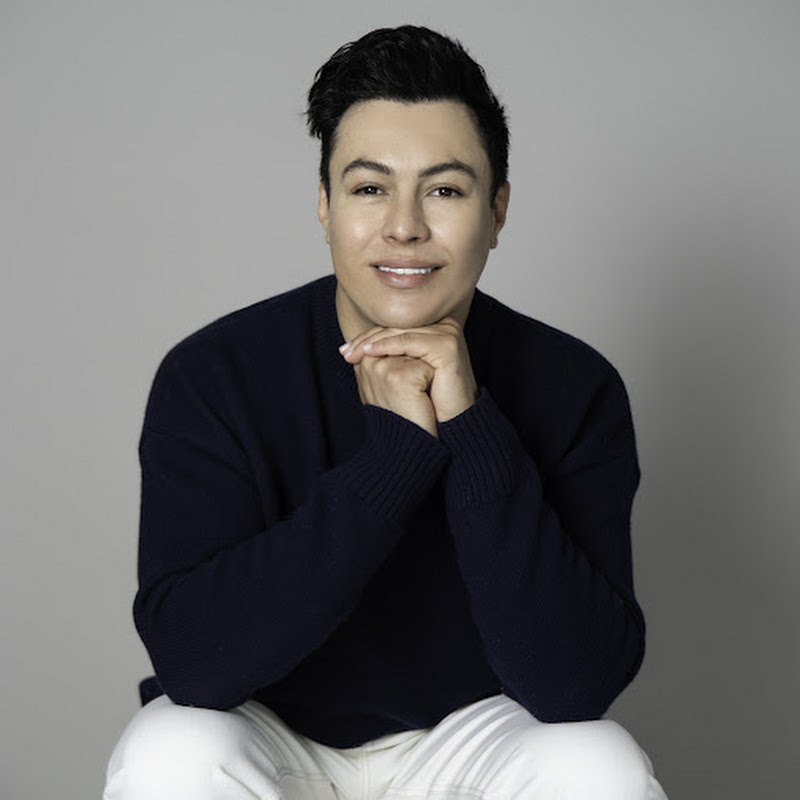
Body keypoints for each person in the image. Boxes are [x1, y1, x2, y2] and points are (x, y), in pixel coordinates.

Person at [104, 25, 668, 800]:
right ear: (325, 205)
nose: (404, 226)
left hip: (475, 741)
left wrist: (471, 426)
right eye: (370, 188)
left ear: (497, 211)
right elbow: (194, 662)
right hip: (268, 737)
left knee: (597, 762)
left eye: (445, 190)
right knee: (172, 748)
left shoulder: (575, 385)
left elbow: (575, 683)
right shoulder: (215, 375)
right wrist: (394, 459)